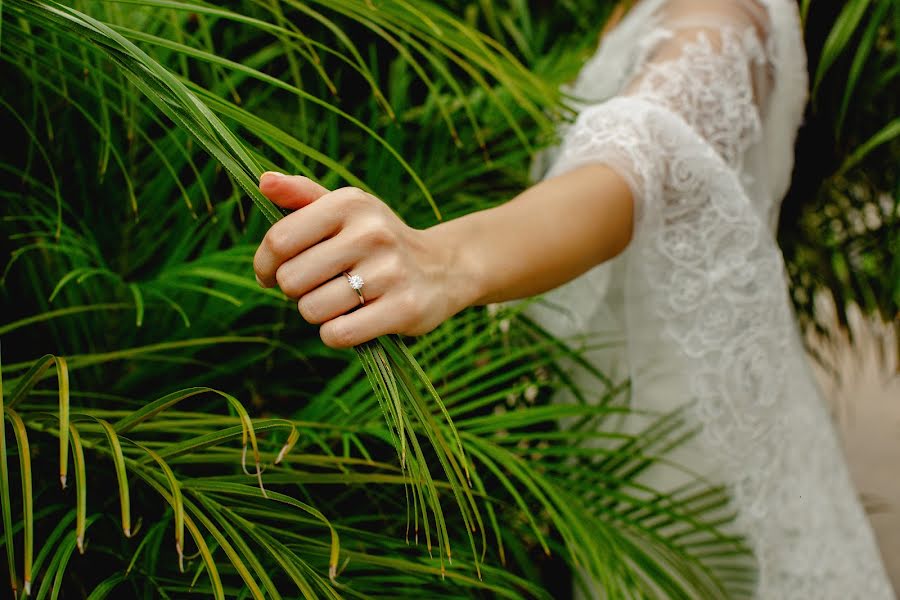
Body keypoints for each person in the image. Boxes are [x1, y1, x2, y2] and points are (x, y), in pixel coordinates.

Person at [252, 0, 894, 596]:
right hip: (634, 415)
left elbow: (639, 158)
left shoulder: (720, 12)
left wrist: (446, 262)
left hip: (680, 446)